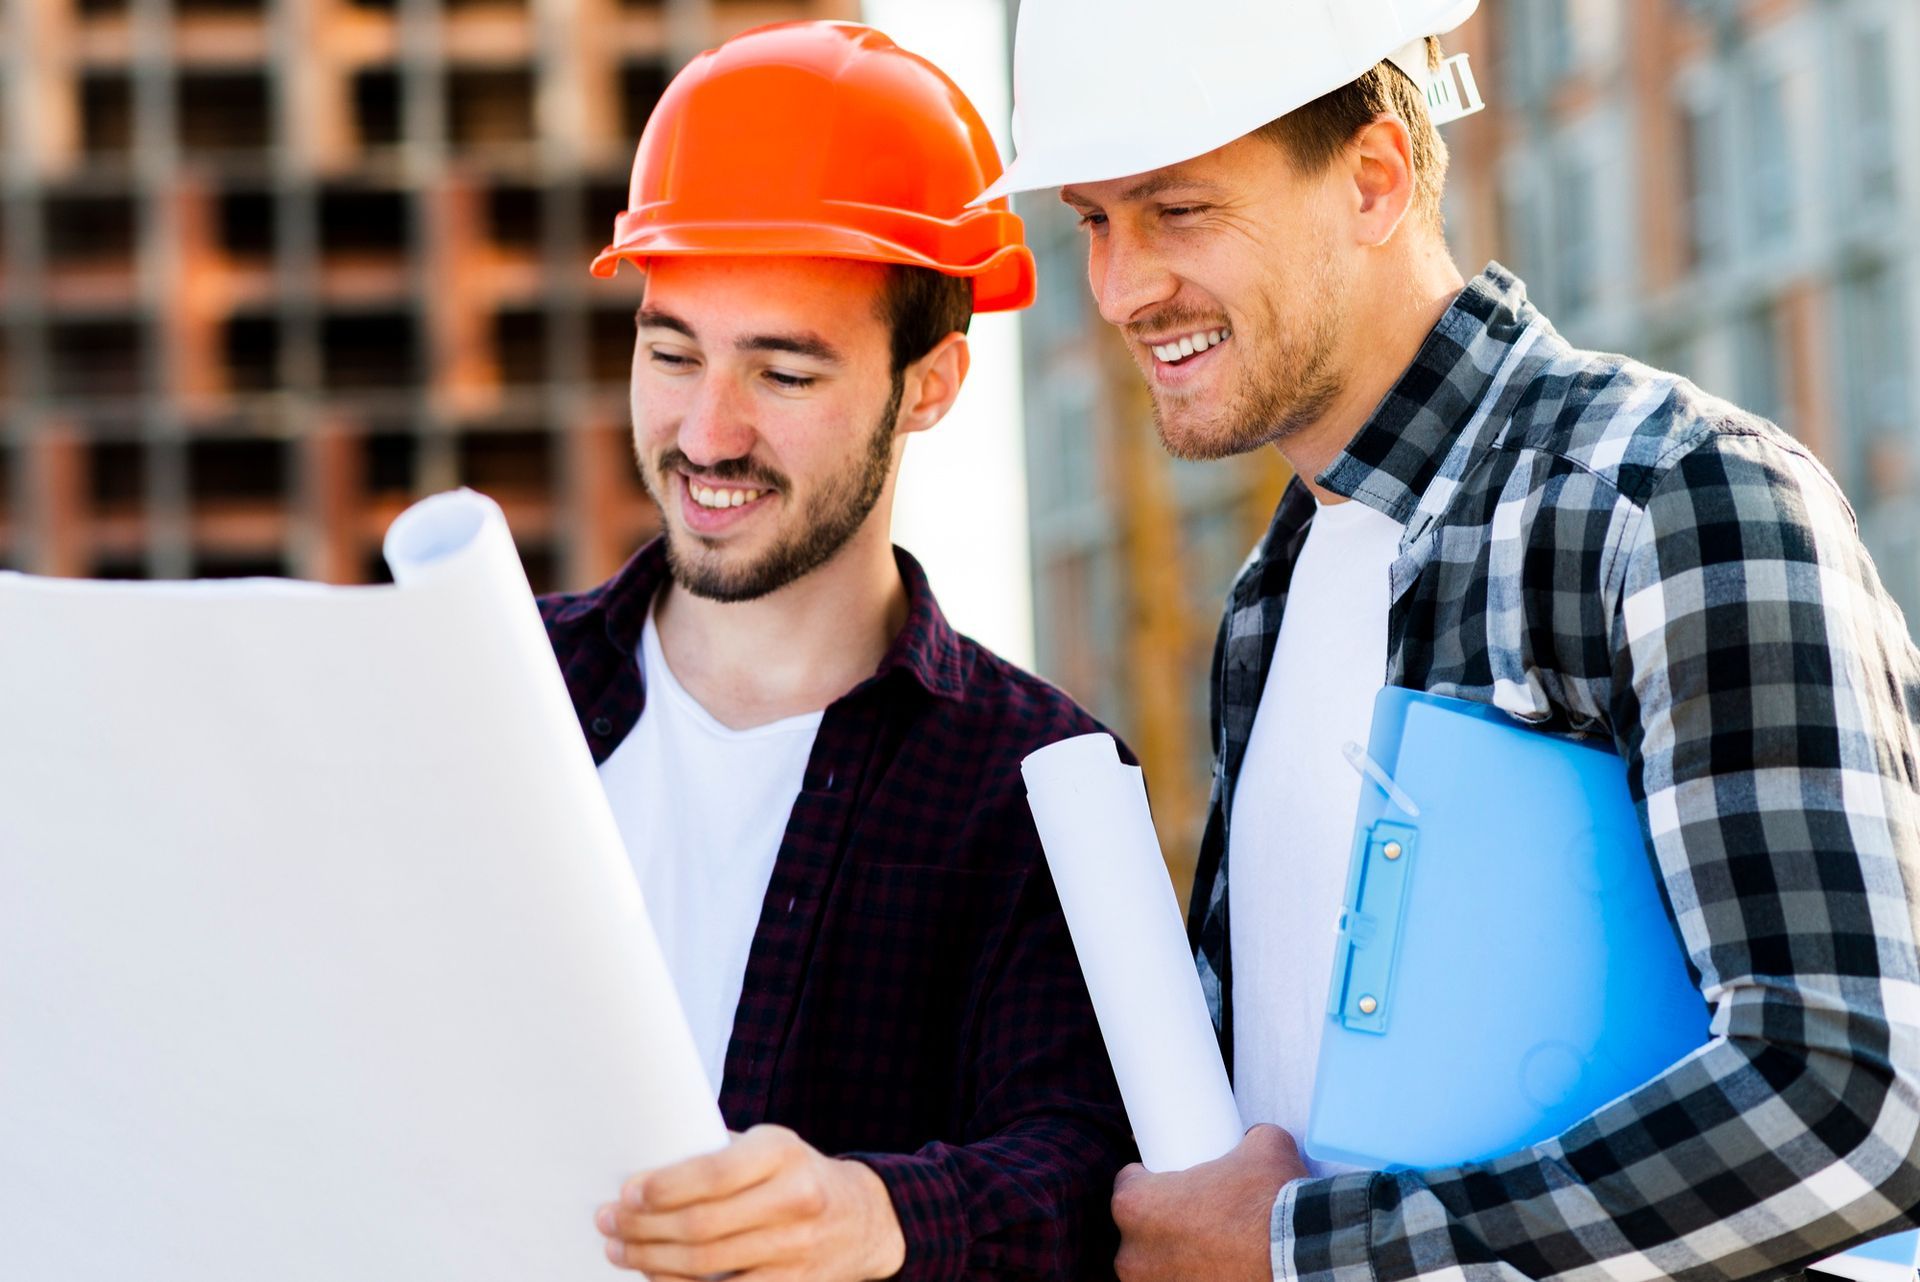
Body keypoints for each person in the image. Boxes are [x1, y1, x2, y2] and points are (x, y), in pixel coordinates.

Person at [981, 2, 1920, 1280]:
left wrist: (1311, 1253)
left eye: (1177, 211)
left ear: (1373, 178)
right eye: (1094, 221)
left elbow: (1859, 1102)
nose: (1122, 287)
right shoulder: (1277, 588)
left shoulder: (1671, 497)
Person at [543, 21, 1132, 1281]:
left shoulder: (1044, 782)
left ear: (930, 383)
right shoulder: (492, 699)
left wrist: (872, 1215)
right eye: (671, 352)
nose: (708, 432)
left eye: (786, 373)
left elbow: (1090, 1170)